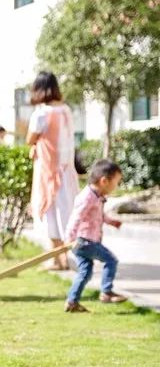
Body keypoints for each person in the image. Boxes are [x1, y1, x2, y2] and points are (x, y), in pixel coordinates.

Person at [27, 71, 79, 271]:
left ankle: (57, 259)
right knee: (64, 213)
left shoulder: (41, 114)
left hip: (48, 171)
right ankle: (63, 258)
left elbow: (30, 139)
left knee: (51, 214)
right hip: (66, 170)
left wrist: (34, 146)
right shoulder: (66, 110)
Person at [64, 159, 126, 312]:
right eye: (116, 182)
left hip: (83, 241)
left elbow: (97, 216)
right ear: (104, 181)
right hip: (84, 241)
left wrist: (111, 222)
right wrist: (69, 238)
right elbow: (76, 218)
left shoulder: (95, 196)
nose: (116, 187)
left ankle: (72, 302)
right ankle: (106, 292)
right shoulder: (87, 198)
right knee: (111, 260)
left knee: (85, 272)